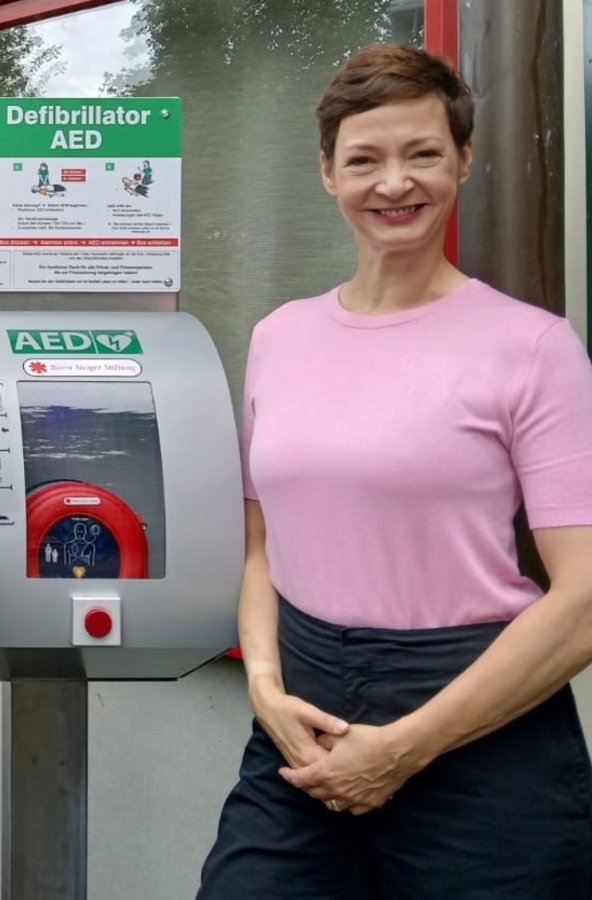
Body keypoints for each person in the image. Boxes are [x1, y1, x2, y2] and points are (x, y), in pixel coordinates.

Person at [198, 44, 592, 899]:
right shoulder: (279, 338)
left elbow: (584, 596)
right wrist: (264, 687)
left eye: (421, 153)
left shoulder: (533, 348)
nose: (394, 184)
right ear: (327, 174)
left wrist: (408, 746)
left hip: (483, 730)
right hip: (303, 725)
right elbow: (263, 546)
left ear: (464, 159)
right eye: (364, 160)